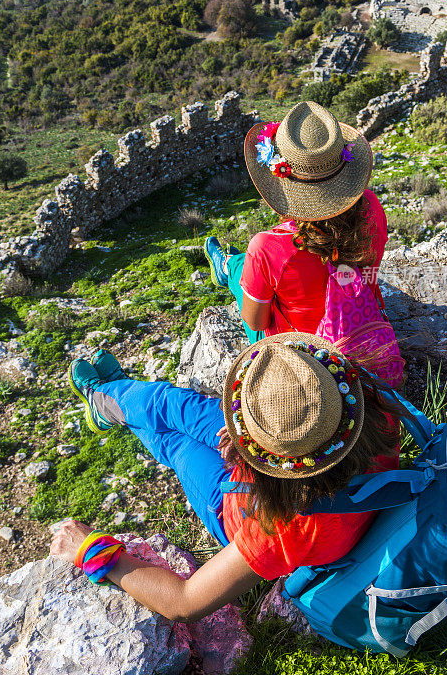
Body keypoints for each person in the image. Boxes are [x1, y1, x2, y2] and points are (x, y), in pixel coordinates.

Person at [50, 337, 400, 622]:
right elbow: (305, 433)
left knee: (174, 437)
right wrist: (259, 440)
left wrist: (90, 550)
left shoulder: (288, 531)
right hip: (273, 472)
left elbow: (183, 603)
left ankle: (106, 398)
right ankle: (112, 394)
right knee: (172, 406)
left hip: (234, 505)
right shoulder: (370, 412)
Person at [204, 101, 387, 343]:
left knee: (244, 271)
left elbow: (256, 322)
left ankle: (228, 266)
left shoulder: (268, 247)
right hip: (363, 327)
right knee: (254, 264)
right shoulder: (372, 206)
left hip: (306, 353)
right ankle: (232, 263)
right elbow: (371, 273)